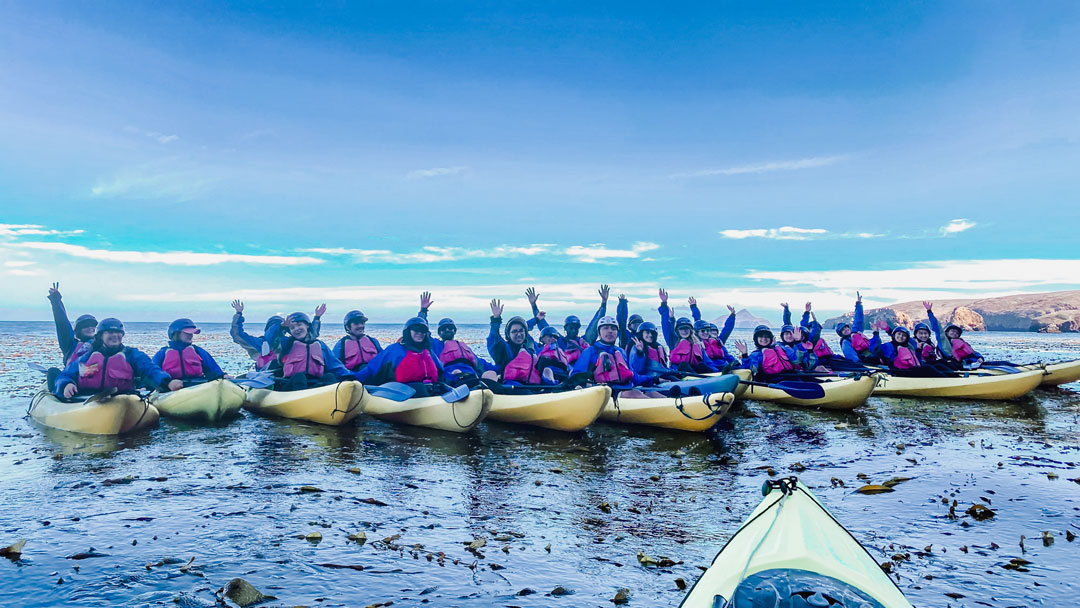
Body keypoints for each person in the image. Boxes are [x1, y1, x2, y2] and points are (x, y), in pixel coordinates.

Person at [54, 318, 182, 399]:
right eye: (110, 333)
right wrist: (66, 384)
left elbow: (151, 370)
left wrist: (167, 382)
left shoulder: (132, 355)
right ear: (100, 336)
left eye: (118, 333)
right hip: (87, 400)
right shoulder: (87, 358)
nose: (115, 336)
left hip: (121, 400)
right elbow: (65, 375)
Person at [230, 300, 325, 370]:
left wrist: (317, 318)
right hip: (266, 380)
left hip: (287, 377)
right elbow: (237, 335)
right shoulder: (259, 343)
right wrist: (238, 314)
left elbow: (310, 336)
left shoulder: (288, 342)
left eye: (284, 329)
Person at [356, 316, 446, 390]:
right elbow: (372, 369)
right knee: (420, 389)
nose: (420, 333)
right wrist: (352, 378)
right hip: (404, 393)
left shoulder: (428, 352)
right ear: (408, 332)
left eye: (423, 331)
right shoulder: (395, 350)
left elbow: (441, 371)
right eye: (416, 330)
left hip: (430, 390)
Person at [274, 312, 352, 390]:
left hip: (314, 384)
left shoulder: (320, 345)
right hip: (292, 383)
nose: (296, 329)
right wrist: (280, 328)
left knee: (329, 376)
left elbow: (335, 364)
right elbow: (272, 339)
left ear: (307, 325)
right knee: (299, 376)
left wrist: (350, 376)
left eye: (299, 325)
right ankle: (303, 397)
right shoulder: (286, 344)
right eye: (292, 328)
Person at [486, 299, 553, 386]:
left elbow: (527, 326)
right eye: (514, 331)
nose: (518, 334)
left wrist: (537, 319)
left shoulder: (531, 347)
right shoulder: (503, 348)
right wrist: (496, 320)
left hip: (533, 387)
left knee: (548, 371)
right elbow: (494, 338)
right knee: (490, 374)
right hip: (510, 387)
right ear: (508, 335)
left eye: (521, 331)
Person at [571, 316, 647, 388]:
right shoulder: (590, 351)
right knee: (635, 394)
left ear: (617, 333)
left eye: (613, 329)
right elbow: (576, 376)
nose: (610, 331)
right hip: (604, 393)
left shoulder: (621, 352)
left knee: (652, 393)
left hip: (625, 389)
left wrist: (654, 378)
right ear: (599, 333)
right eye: (605, 328)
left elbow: (635, 377)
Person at [524, 287, 594, 362]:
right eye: (571, 327)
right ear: (565, 328)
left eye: (576, 327)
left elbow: (593, 327)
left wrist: (603, 303)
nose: (574, 330)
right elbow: (544, 327)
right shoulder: (559, 340)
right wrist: (534, 306)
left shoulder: (583, 342)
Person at [152, 318, 227, 383]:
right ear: (176, 334)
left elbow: (215, 371)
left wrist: (223, 376)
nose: (191, 335)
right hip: (171, 388)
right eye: (187, 333)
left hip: (196, 387)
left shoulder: (198, 351)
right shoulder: (162, 354)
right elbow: (151, 374)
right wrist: (144, 386)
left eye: (192, 333)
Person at [46, 282, 96, 367]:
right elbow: (62, 323)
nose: (90, 328)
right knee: (53, 372)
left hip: (94, 378)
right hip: (72, 378)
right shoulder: (70, 345)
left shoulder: (102, 346)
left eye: (92, 325)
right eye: (86, 326)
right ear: (78, 330)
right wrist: (56, 300)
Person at [926, 301, 985, 369]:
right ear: (947, 332)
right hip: (952, 364)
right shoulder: (942, 339)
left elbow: (972, 352)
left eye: (957, 333)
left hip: (968, 363)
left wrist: (979, 357)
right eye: (953, 331)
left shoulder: (960, 342)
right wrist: (929, 312)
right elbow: (937, 326)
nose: (955, 333)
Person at [733, 325, 797, 381]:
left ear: (770, 338)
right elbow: (749, 371)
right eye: (761, 337)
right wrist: (744, 355)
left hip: (790, 378)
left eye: (766, 337)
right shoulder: (755, 355)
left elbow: (795, 359)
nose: (764, 339)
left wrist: (797, 341)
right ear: (756, 339)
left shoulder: (780, 348)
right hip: (770, 382)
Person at [835, 292, 882, 364]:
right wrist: (859, 364)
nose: (846, 330)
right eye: (843, 330)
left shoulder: (855, 332)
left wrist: (858, 305)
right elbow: (850, 354)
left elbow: (858, 320)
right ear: (841, 334)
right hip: (863, 360)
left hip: (870, 355)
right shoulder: (845, 342)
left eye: (846, 328)